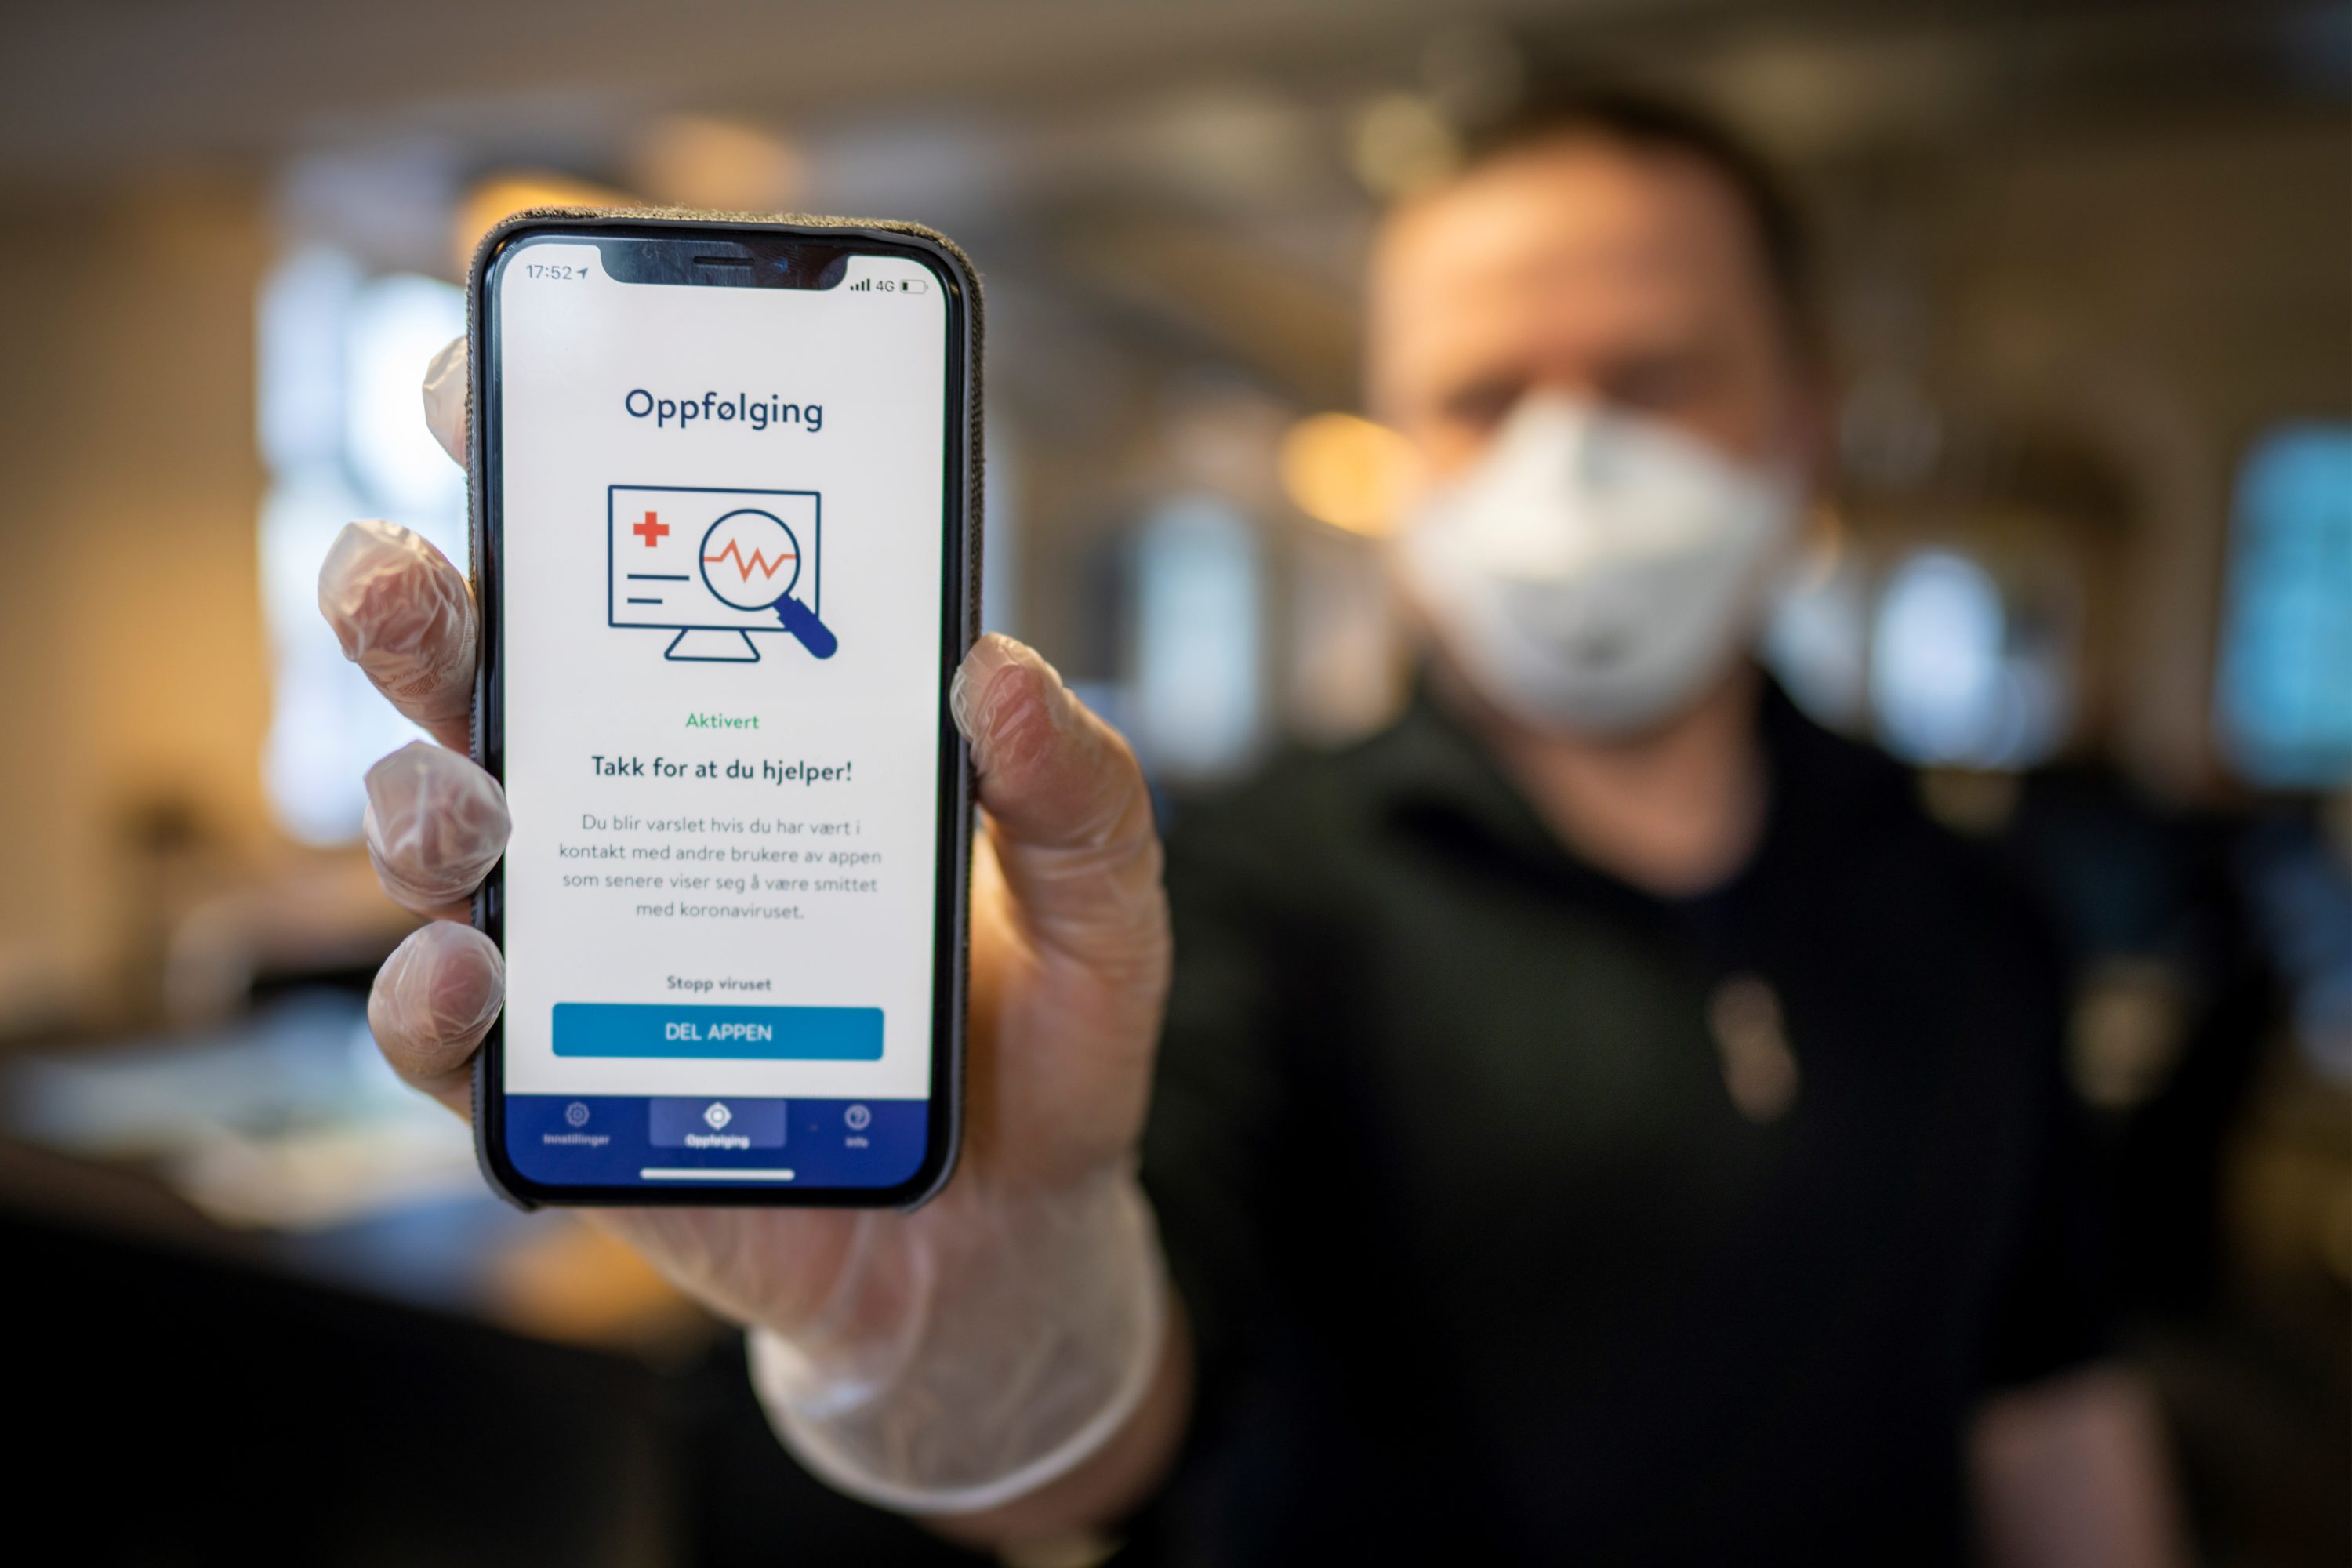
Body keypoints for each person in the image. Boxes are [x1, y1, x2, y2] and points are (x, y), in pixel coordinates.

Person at [321, 91, 2186, 1564]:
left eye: (1651, 378)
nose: (1568, 459)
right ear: (1401, 454)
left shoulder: (1972, 904)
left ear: (1800, 420)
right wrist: (970, 1335)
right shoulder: (1241, 887)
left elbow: (2050, 1395)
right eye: (1481, 396)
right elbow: (1126, 1415)